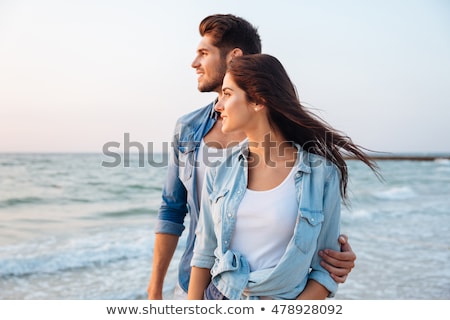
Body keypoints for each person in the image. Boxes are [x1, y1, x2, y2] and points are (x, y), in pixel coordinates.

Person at [147, 14, 357, 300]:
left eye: (203, 53)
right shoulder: (190, 130)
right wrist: (155, 288)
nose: (194, 63)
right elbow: (173, 212)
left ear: (235, 58)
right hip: (200, 286)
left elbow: (313, 242)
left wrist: (333, 259)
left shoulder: (313, 167)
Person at [188, 54, 379, 300]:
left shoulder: (321, 174)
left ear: (257, 101)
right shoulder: (219, 170)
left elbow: (326, 270)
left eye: (227, 93)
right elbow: (204, 255)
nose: (218, 106)